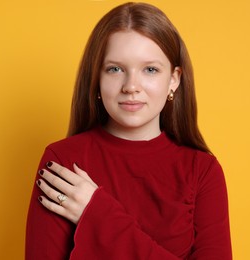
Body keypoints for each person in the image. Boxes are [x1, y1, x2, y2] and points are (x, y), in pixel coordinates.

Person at [26, 2, 232, 259]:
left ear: (174, 79)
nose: (131, 86)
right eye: (115, 69)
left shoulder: (203, 171)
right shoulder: (62, 162)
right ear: (96, 79)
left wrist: (99, 214)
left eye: (150, 69)